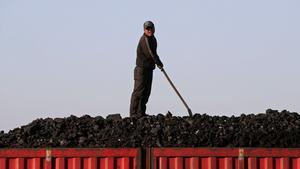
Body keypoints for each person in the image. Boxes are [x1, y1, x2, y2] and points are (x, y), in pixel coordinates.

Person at [129, 21, 164, 118]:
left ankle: (141, 113)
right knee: (138, 92)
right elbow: (150, 53)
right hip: (141, 70)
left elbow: (154, 53)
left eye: (151, 28)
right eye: (147, 29)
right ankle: (133, 115)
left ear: (154, 29)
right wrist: (158, 63)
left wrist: (159, 63)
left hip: (149, 69)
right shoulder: (144, 39)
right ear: (144, 30)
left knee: (146, 92)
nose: (149, 30)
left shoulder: (153, 39)